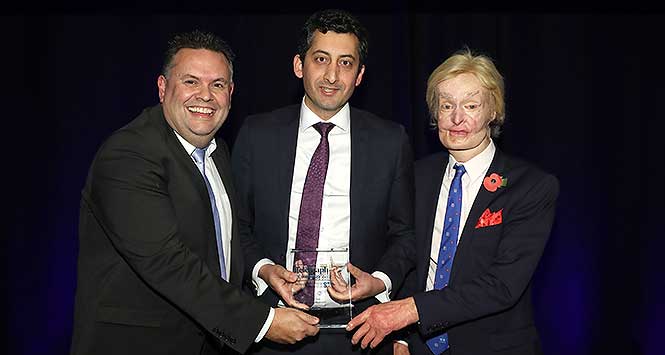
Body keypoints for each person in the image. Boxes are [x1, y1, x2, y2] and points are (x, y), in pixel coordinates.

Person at [70, 30, 320, 355]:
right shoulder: (129, 154)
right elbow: (167, 261)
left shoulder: (218, 153)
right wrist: (261, 322)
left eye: (217, 84)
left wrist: (262, 270)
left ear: (230, 93)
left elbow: (216, 244)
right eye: (191, 82)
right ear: (162, 88)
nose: (205, 95)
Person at [346, 49, 559, 355]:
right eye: (447, 105)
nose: (457, 118)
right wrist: (403, 337)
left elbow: (502, 286)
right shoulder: (416, 176)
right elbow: (409, 257)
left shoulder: (532, 187)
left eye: (471, 105)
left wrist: (408, 312)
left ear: (493, 111)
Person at [231, 9, 415, 355]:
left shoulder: (390, 141)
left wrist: (380, 281)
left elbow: (404, 235)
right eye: (321, 59)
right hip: (275, 326)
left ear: (360, 75)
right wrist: (264, 270)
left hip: (361, 331)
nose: (332, 75)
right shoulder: (257, 135)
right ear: (300, 65)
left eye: (346, 63)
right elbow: (236, 227)